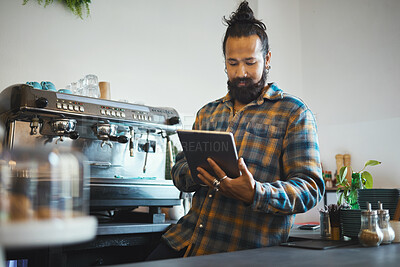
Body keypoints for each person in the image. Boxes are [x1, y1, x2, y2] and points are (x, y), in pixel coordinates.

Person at [146, 1, 324, 260]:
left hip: (242, 254)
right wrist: (196, 173)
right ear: (225, 63)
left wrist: (256, 193)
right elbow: (177, 173)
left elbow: (310, 188)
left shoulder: (293, 113)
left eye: (250, 62)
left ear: (267, 59)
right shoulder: (207, 113)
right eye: (233, 63)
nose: (241, 73)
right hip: (183, 241)